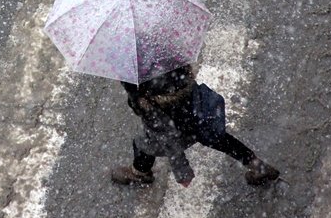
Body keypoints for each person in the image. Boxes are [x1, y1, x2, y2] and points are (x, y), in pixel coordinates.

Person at [111, 64, 280, 187]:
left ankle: (140, 173)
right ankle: (259, 167)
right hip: (199, 115)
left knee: (143, 143)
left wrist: (182, 171)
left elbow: (167, 137)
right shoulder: (169, 59)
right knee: (222, 140)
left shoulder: (144, 99)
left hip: (181, 128)